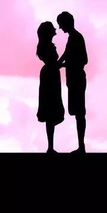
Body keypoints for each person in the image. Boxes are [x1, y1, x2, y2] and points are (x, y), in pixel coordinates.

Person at [56, 12, 88, 154]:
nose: (60, 28)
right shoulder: (72, 38)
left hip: (77, 80)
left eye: (61, 24)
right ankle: (81, 146)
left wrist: (64, 64)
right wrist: (59, 64)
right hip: (73, 80)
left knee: (80, 113)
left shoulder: (76, 37)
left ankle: (82, 147)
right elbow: (66, 55)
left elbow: (84, 59)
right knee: (77, 113)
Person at [36, 21, 65, 153]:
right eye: (53, 29)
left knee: (50, 111)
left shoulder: (45, 46)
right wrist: (64, 63)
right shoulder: (47, 47)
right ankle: (50, 147)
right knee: (50, 110)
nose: (55, 30)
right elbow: (54, 64)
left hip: (50, 75)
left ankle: (50, 147)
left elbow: (54, 63)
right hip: (50, 76)